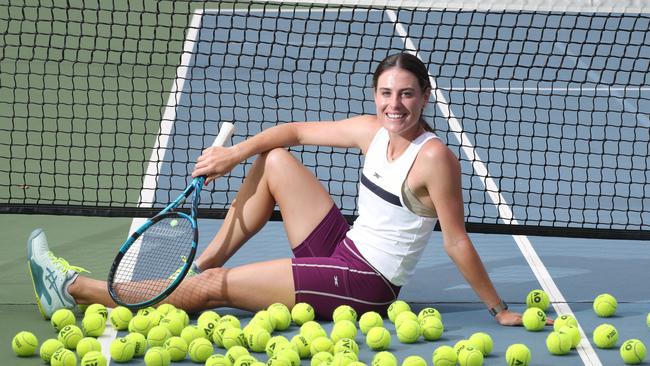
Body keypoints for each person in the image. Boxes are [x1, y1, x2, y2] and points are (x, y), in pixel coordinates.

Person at [28, 52, 522, 325]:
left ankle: (74, 289)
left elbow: (455, 240)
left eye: (407, 94)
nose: (396, 104)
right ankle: (199, 264)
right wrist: (231, 155)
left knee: (212, 292)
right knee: (276, 160)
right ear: (376, 95)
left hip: (364, 284)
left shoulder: (434, 158)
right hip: (343, 249)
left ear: (424, 97)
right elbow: (292, 133)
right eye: (387, 93)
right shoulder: (371, 130)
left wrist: (498, 310)